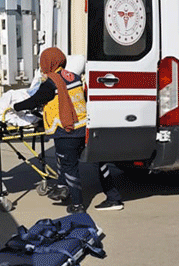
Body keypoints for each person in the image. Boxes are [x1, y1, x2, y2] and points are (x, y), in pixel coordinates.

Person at [12, 47, 123, 213]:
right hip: (84, 128)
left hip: (66, 132)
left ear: (48, 63)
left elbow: (34, 101)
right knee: (99, 163)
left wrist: (15, 107)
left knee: (70, 167)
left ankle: (77, 205)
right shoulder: (74, 77)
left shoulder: (50, 83)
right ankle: (112, 197)